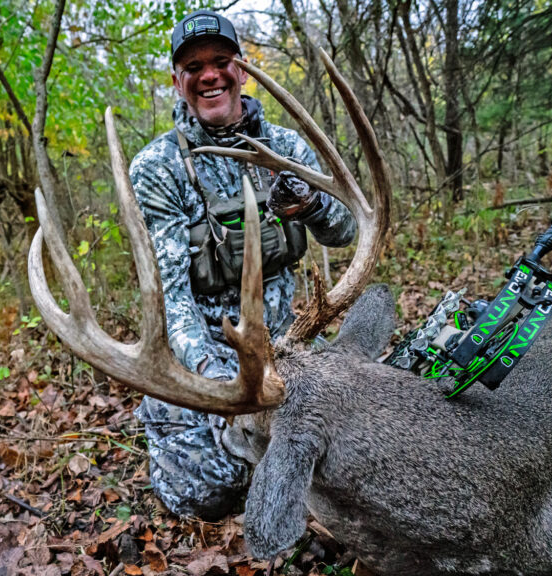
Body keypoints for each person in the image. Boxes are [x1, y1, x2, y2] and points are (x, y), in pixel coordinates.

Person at [129, 9, 356, 520]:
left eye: (220, 61)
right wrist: (217, 383)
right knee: (209, 492)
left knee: (354, 452)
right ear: (178, 82)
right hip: (208, 357)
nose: (209, 75)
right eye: (193, 67)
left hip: (292, 345)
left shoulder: (288, 147)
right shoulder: (158, 168)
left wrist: (311, 205)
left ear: (242, 70)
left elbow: (343, 234)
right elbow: (170, 298)